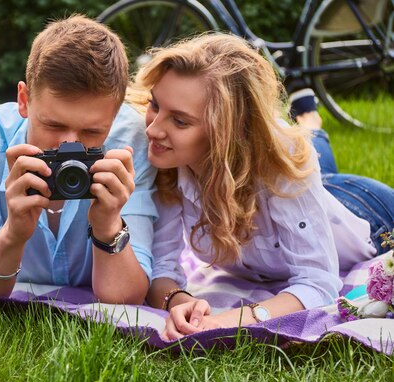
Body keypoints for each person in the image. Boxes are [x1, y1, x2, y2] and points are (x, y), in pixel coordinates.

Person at [126, 33, 394, 339]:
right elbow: (162, 266)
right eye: (155, 105)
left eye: (180, 121)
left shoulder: (281, 158)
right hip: (303, 188)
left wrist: (238, 317)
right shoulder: (164, 158)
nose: (153, 128)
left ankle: (309, 124)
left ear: (225, 131)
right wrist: (180, 301)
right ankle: (309, 120)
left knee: (305, 154)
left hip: (367, 212)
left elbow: (319, 283)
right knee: (313, 164)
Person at [0, 15, 158, 303]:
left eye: (92, 131)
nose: (69, 144)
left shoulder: (130, 142)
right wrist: (13, 234)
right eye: (53, 125)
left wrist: (108, 225)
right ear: (24, 100)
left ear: (115, 117)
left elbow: (125, 298)